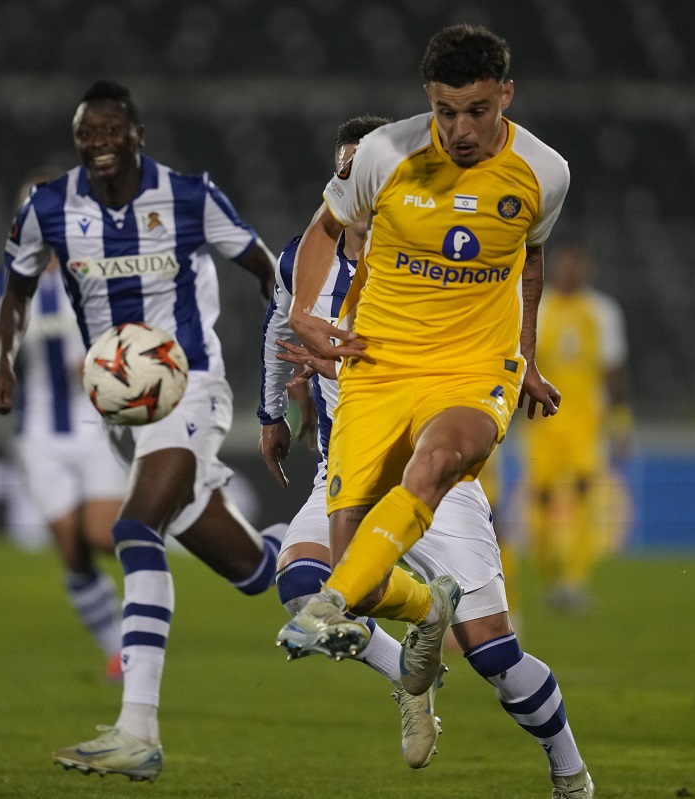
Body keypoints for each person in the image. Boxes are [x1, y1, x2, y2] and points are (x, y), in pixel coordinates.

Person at [263, 116, 593, 792]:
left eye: (367, 169)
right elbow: (279, 330)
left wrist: (521, 358)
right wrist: (276, 411)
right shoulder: (306, 259)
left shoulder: (432, 251)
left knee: (495, 653)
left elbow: (469, 325)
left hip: (435, 471)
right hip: (348, 461)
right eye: (345, 171)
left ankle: (570, 769)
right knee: (301, 586)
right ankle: (412, 672)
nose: (358, 183)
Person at [0, 80, 284, 783]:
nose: (99, 142)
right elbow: (17, 292)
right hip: (122, 415)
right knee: (259, 573)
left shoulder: (189, 196)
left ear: (138, 134)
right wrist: (4, 363)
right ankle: (388, 606)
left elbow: (268, 269)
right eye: (87, 133)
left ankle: (137, 729)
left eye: (111, 129)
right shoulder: (48, 206)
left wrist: (290, 361)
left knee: (132, 531)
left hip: (192, 386)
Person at [0, 171, 128, 682]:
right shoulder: (1, 285)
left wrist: (104, 365)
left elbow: (135, 346)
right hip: (38, 436)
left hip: (92, 429)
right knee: (70, 547)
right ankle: (119, 651)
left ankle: (143, 613)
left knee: (103, 535)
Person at [521, 238, 630, 612]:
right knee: (541, 501)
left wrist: (621, 420)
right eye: (566, 264)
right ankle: (552, 577)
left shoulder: (603, 311)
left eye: (578, 264)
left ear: (588, 269)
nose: (572, 271)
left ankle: (576, 580)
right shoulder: (537, 306)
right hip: (543, 424)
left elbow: (613, 371)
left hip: (587, 424)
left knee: (585, 494)